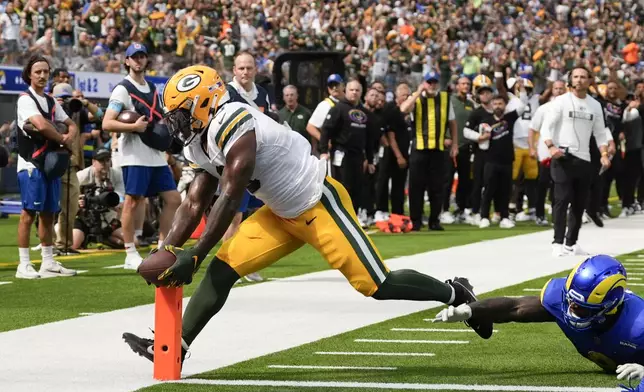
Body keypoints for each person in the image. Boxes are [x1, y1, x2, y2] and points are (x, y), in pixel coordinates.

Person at [122, 65, 491, 364]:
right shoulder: (201, 140)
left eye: (183, 113)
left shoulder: (234, 119)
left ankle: (454, 292)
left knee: (376, 284)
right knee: (223, 269)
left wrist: (195, 254)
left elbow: (231, 194)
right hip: (279, 211)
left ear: (204, 104)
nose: (177, 123)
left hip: (317, 202)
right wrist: (168, 248)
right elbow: (193, 201)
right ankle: (176, 346)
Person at [433, 255, 644, 377]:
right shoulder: (562, 299)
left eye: (581, 308)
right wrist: (471, 310)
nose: (571, 310)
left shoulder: (638, 324)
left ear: (609, 307)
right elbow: (515, 308)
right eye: (571, 301)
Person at [102, 43, 181, 270]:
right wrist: (133, 128)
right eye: (134, 57)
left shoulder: (153, 88)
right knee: (132, 201)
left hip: (155, 155)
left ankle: (162, 247)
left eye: (142, 56)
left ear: (147, 60)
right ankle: (130, 251)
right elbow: (107, 122)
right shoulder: (122, 89)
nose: (138, 61)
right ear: (126, 61)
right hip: (134, 156)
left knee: (174, 199)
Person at [15, 54, 78, 279]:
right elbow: (40, 125)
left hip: (49, 164)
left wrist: (69, 133)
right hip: (31, 163)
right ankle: (23, 265)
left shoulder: (51, 100)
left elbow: (71, 123)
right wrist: (64, 139)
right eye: (38, 72)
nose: (42, 75)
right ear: (29, 75)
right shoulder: (25, 99)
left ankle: (48, 263)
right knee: (29, 213)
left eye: (45, 71)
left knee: (49, 214)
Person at [540, 66, 612, 257]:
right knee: (562, 199)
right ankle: (557, 242)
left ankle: (571, 243)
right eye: (576, 77)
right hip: (563, 156)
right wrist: (551, 147)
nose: (579, 80)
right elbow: (546, 127)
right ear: (570, 80)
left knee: (580, 203)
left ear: (590, 80)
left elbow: (600, 133)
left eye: (583, 77)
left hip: (584, 158)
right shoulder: (561, 101)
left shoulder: (595, 105)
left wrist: (604, 153)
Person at [399, 71, 458, 231]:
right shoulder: (416, 98)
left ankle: (434, 221)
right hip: (419, 148)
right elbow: (403, 109)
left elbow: (452, 123)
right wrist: (418, 92)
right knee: (416, 187)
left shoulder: (445, 98)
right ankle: (416, 221)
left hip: (438, 149)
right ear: (424, 83)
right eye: (429, 82)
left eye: (434, 82)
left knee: (436, 187)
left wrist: (454, 144)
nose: (432, 85)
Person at [528, 80, 568, 226]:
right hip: (546, 153)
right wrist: (532, 147)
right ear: (552, 90)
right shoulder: (544, 109)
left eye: (561, 88)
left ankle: (558, 216)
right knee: (543, 184)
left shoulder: (571, 109)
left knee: (560, 186)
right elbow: (532, 129)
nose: (559, 91)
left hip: (564, 152)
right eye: (556, 88)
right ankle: (540, 214)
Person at [74, 148, 126, 250]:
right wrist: (77, 201)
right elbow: (67, 196)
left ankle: (105, 238)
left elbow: (120, 196)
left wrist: (118, 203)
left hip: (108, 220)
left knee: (131, 241)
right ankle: (84, 238)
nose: (105, 164)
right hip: (84, 219)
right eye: (101, 161)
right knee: (74, 244)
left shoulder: (117, 174)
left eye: (107, 160)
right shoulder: (81, 175)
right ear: (93, 162)